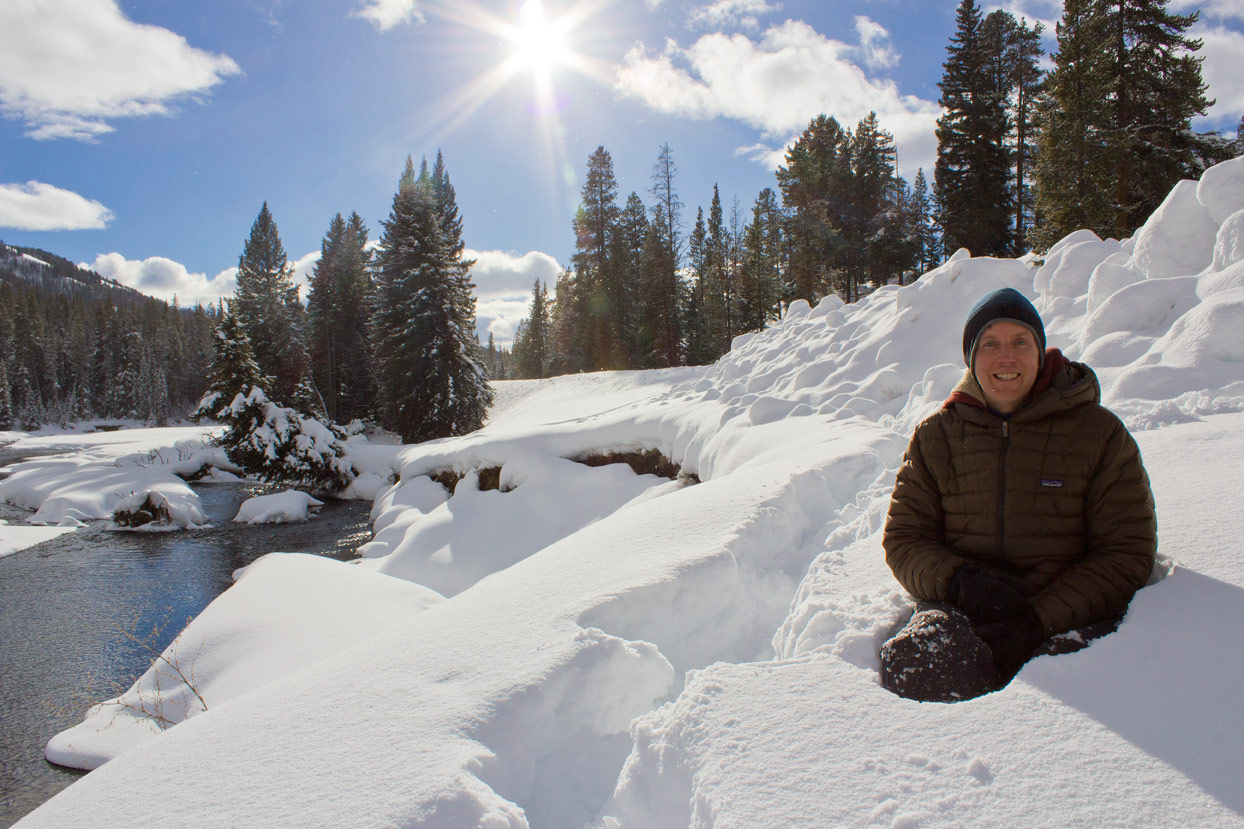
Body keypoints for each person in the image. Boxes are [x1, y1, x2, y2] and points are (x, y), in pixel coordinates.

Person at [879, 287, 1157, 702]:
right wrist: (960, 582)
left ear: (1040, 352)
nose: (1005, 357)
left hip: (1064, 618)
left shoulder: (1099, 434)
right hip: (962, 611)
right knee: (918, 663)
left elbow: (1126, 552)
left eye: (1019, 342)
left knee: (1073, 689)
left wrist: (1038, 617)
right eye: (990, 344)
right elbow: (904, 540)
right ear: (971, 358)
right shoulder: (936, 436)